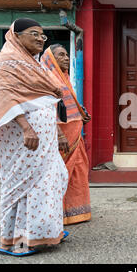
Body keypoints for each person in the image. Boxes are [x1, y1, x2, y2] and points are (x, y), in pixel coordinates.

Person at [0, 18, 69, 257]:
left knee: (53, 180)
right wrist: (27, 128)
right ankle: (18, 242)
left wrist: (57, 132)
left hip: (45, 139)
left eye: (43, 36)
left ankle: (46, 231)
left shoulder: (33, 63)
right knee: (24, 188)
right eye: (34, 34)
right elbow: (7, 99)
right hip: (23, 139)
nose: (41, 39)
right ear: (16, 36)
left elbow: (46, 101)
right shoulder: (8, 63)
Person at [40, 44, 92, 225]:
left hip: (74, 133)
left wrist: (81, 114)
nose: (66, 58)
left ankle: (76, 212)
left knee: (77, 172)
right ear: (51, 59)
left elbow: (67, 105)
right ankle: (56, 213)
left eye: (67, 55)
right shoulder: (47, 78)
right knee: (60, 174)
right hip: (60, 136)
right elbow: (46, 108)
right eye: (61, 55)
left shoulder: (65, 78)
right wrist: (59, 133)